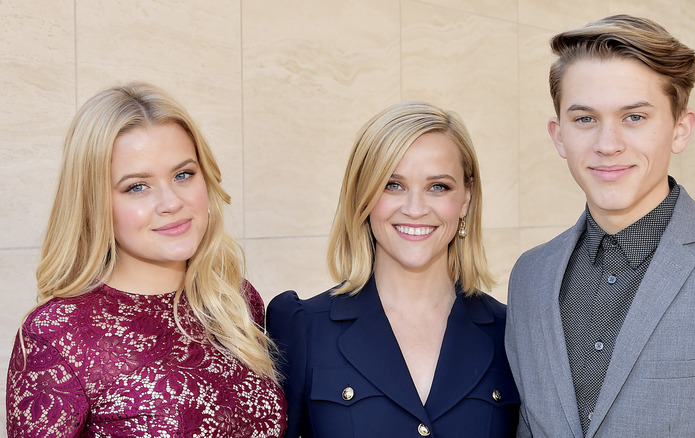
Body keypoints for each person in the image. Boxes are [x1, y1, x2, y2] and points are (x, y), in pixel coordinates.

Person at [505, 14, 695, 437]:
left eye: (634, 117)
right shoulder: (530, 276)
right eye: (584, 119)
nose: (608, 144)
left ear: (680, 130)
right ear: (558, 135)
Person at [5, 82, 286, 437]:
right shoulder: (56, 336)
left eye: (184, 174)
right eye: (137, 186)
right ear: (94, 203)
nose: (171, 202)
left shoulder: (235, 300)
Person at [267, 101, 519, 437]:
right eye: (393, 185)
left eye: (438, 187)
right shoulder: (300, 327)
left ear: (466, 199)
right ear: (364, 195)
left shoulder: (511, 332)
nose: (415, 209)